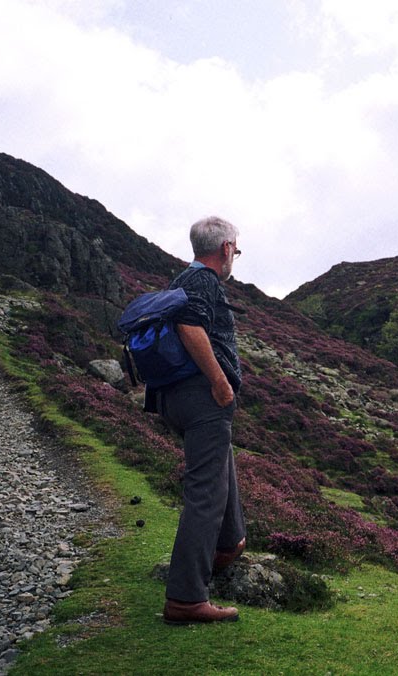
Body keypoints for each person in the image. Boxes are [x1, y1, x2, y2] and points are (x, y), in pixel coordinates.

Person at [154, 216, 247, 625]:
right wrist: (220, 383)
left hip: (175, 397)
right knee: (205, 495)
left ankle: (229, 545)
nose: (235, 258)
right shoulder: (204, 282)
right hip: (202, 398)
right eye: (236, 250)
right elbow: (189, 327)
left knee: (220, 472)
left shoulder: (180, 280)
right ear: (225, 248)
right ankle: (186, 600)